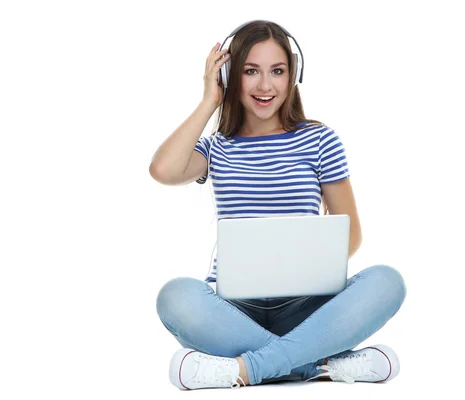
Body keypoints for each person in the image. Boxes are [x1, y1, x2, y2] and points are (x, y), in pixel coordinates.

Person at [149, 20, 407, 390]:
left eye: (278, 71)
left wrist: (309, 260)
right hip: (233, 312)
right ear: (230, 75)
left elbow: (350, 236)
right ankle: (315, 365)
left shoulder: (320, 140)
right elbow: (163, 169)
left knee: (387, 281)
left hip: (308, 309)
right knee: (175, 297)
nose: (265, 86)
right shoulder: (218, 148)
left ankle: (246, 370)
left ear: (293, 76)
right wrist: (209, 100)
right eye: (250, 71)